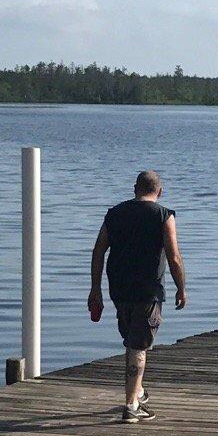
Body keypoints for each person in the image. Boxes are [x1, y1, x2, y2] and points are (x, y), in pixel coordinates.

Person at [88, 170, 187, 422]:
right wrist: (181, 287)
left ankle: (138, 391)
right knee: (138, 346)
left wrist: (95, 289)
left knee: (132, 342)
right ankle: (131, 407)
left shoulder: (114, 214)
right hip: (148, 290)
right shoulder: (164, 215)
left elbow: (99, 250)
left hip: (118, 289)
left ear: (135, 188)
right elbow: (173, 256)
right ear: (160, 191)